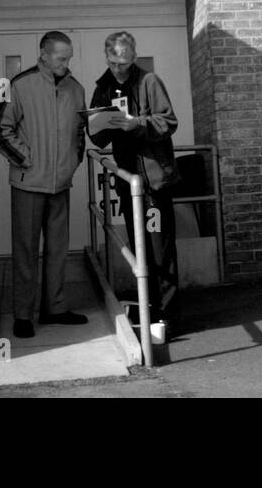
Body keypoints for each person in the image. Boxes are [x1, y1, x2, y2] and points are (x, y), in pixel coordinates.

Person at [0, 31, 89, 339]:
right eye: (61, 58)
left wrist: (73, 161)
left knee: (58, 250)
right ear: (44, 55)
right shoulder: (16, 85)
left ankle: (55, 309)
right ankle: (23, 315)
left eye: (69, 57)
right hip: (28, 184)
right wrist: (27, 159)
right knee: (25, 251)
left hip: (61, 184)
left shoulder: (76, 89)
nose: (66, 63)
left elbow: (79, 132)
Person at [87, 31, 181, 329]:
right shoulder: (103, 87)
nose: (119, 69)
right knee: (139, 246)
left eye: (125, 64)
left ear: (134, 58)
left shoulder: (149, 81)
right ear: (107, 58)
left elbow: (168, 121)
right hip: (129, 180)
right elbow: (97, 136)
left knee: (158, 248)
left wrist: (136, 124)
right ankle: (150, 308)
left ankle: (166, 315)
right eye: (114, 63)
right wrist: (99, 125)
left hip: (153, 182)